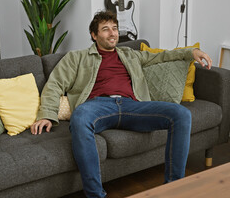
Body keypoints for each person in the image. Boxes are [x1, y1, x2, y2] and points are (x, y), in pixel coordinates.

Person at [30, 11, 212, 198]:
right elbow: (55, 84)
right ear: (94, 35)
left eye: (115, 29)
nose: (112, 33)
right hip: (98, 106)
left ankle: (173, 189)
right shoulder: (77, 57)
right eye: (105, 29)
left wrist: (191, 52)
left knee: (182, 114)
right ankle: (96, 195)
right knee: (80, 117)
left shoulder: (130, 55)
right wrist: (46, 114)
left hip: (132, 106)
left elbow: (163, 56)